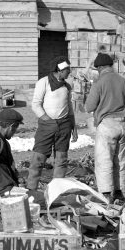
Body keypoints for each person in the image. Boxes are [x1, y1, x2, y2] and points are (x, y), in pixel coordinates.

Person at [83, 47, 125, 202]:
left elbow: (89, 107)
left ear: (100, 68)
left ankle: (106, 195)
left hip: (107, 125)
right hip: (123, 125)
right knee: (120, 160)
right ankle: (119, 192)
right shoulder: (123, 81)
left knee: (104, 160)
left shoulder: (99, 83)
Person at [27, 58, 78, 192]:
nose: (70, 73)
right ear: (60, 71)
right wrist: (47, 120)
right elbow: (36, 104)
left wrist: (74, 126)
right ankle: (31, 190)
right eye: (68, 70)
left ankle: (57, 191)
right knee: (38, 159)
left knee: (61, 160)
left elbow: (70, 107)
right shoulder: (43, 82)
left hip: (64, 126)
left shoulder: (67, 86)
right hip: (46, 126)